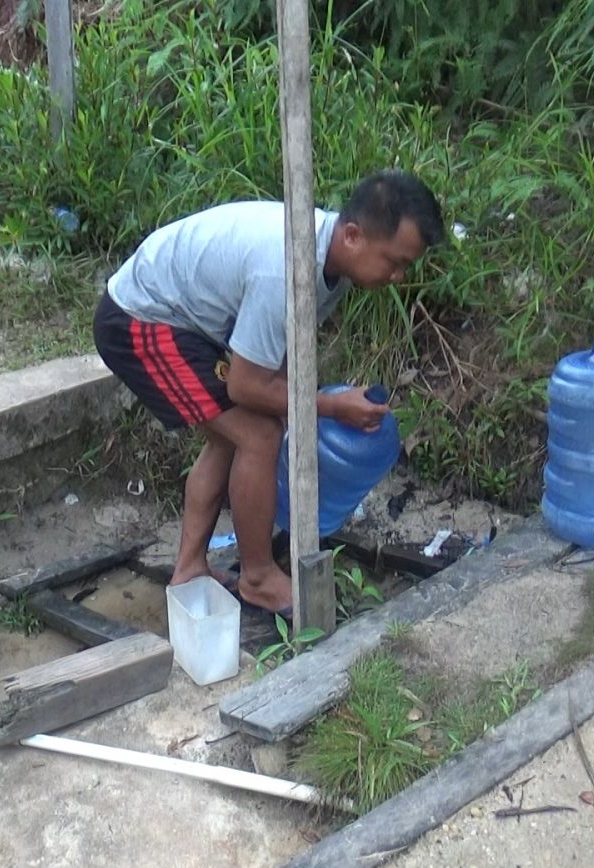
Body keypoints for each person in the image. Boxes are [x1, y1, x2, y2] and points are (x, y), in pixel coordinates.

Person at [93, 170, 445, 612]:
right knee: (257, 435)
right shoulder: (286, 268)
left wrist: (298, 406)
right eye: (394, 261)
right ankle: (257, 577)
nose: (397, 276)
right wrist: (331, 407)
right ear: (353, 235)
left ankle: (191, 569)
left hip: (187, 321)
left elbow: (272, 362)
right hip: (140, 319)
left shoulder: (326, 262)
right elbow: (245, 385)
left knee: (244, 432)